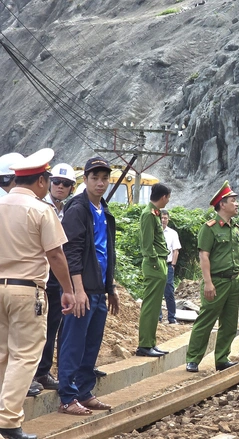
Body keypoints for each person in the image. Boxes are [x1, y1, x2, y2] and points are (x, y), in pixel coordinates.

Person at [0, 148, 82, 439]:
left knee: (2, 355)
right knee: (24, 357)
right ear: (41, 182)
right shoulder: (40, 209)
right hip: (26, 291)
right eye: (48, 180)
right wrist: (69, 291)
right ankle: (9, 423)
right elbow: (56, 255)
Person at [57, 157, 119, 416]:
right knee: (73, 342)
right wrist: (77, 289)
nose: (100, 182)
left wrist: (110, 287)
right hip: (81, 289)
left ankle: (84, 390)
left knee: (91, 343)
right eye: (95, 177)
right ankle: (67, 396)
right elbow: (71, 250)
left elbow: (107, 252)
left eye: (104, 178)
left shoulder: (103, 210)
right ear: (85, 180)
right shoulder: (78, 208)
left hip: (98, 288)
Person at [185, 182, 239, 373]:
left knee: (229, 322)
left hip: (233, 281)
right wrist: (208, 283)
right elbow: (204, 256)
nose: (237, 204)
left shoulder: (235, 228)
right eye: (233, 201)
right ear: (222, 204)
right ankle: (193, 359)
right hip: (217, 281)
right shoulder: (209, 228)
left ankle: (222, 358)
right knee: (206, 320)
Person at [30, 163, 77, 395]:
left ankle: (43, 371)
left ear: (71, 188)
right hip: (38, 275)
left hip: (56, 276)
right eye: (57, 182)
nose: (60, 186)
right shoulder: (39, 207)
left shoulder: (68, 210)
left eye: (65, 184)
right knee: (32, 328)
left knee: (52, 325)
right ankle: (27, 375)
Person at [136, 183, 172, 357]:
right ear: (164, 197)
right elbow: (147, 244)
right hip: (154, 264)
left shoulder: (155, 214)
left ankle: (150, 342)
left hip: (159, 263)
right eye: (168, 197)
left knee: (156, 305)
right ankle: (144, 344)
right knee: (150, 306)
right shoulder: (148, 215)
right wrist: (156, 262)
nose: (168, 200)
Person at [160, 209, 181, 324]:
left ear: (168, 219)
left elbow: (176, 250)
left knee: (169, 291)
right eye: (162, 218)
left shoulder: (173, 233)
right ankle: (158, 318)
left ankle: (172, 318)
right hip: (157, 265)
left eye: (165, 218)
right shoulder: (154, 231)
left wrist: (173, 264)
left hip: (168, 265)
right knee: (157, 290)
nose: (163, 220)